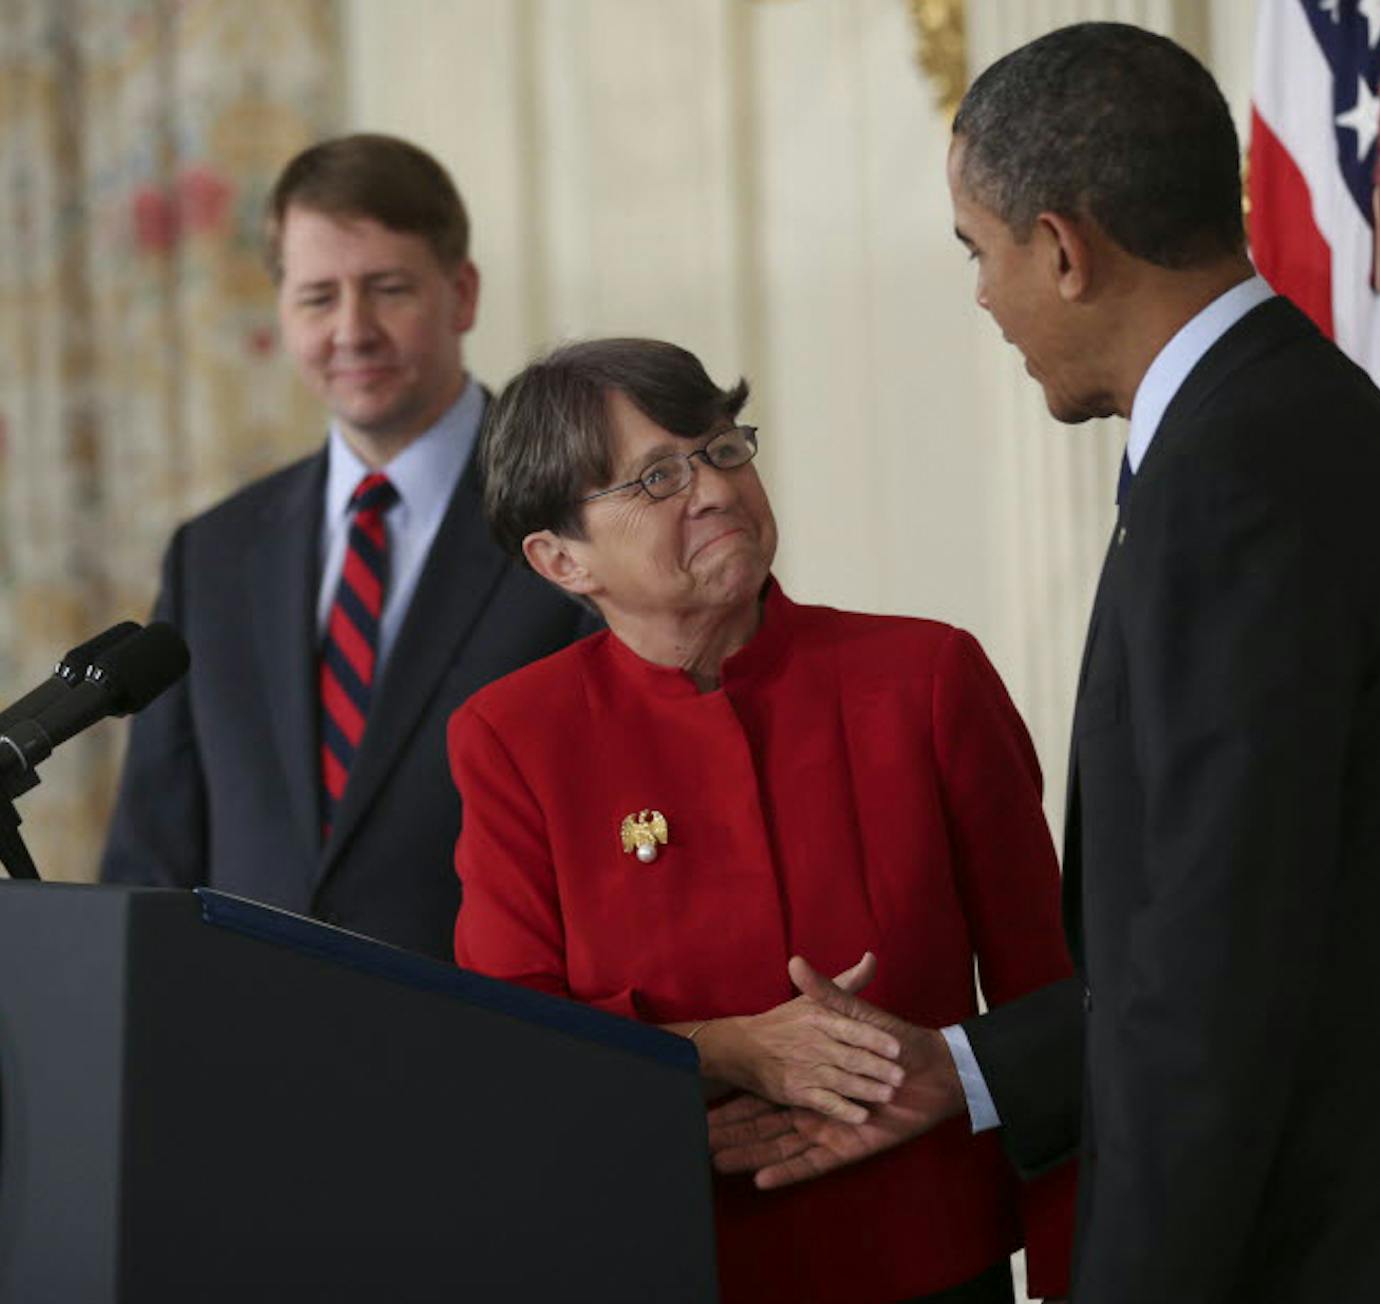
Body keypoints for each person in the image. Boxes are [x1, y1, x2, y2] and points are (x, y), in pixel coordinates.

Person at [711, 22, 1380, 1304]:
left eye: (979, 255)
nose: (983, 297)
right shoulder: (1298, 419)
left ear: (1062, 248)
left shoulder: (1236, 485)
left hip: (1377, 1254)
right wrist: (969, 1068)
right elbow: (1274, 926)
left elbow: (1214, 985)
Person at [449, 337, 1075, 1303]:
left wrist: (1083, 1270)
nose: (710, 489)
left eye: (722, 449)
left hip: (927, 1261)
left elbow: (1058, 1006)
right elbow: (515, 1049)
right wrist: (728, 1050)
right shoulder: (513, 738)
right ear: (560, 557)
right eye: (656, 476)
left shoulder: (925, 679)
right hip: (663, 1258)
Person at [100, 135, 591, 957]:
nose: (351, 330)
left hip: (494, 1044)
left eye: (388, 289)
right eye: (317, 297)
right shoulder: (212, 554)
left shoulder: (576, 509)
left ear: (461, 294)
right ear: (283, 310)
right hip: (247, 1050)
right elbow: (150, 859)